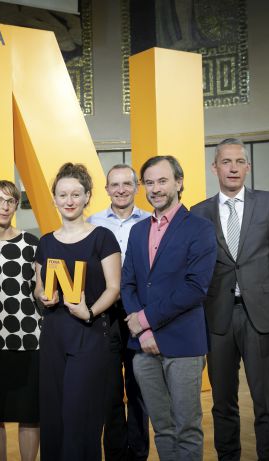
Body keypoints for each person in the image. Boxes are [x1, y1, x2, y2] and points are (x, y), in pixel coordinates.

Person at [191, 138, 269, 461]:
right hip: (217, 319)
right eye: (226, 162)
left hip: (261, 317)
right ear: (214, 168)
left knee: (266, 401)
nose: (233, 168)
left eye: (239, 162)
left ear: (248, 167)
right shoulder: (199, 212)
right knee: (222, 402)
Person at [121, 155, 216, 461]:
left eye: (162, 181)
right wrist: (143, 331)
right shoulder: (138, 231)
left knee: (186, 428)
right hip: (143, 347)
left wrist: (145, 319)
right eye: (149, 182)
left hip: (183, 342)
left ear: (179, 182)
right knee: (162, 428)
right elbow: (128, 284)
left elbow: (195, 287)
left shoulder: (200, 228)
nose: (155, 189)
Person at [34, 163, 121, 461]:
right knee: (54, 416)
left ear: (87, 197)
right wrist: (43, 296)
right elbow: (38, 287)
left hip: (89, 334)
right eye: (63, 195)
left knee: (79, 416)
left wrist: (90, 312)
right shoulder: (45, 242)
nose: (69, 200)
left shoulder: (103, 237)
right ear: (55, 199)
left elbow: (114, 288)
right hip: (53, 337)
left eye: (75, 194)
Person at [87, 164, 151, 461]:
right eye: (115, 184)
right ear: (106, 189)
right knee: (109, 390)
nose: (121, 190)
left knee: (139, 388)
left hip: (140, 314)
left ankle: (137, 453)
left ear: (137, 187)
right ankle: (114, 454)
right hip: (106, 315)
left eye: (127, 184)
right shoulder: (93, 223)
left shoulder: (151, 221)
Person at [0, 180, 41, 461]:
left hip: (29, 337)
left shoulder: (32, 243)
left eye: (10, 201)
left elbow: (40, 290)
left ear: (16, 206)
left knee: (30, 413)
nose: (4, 206)